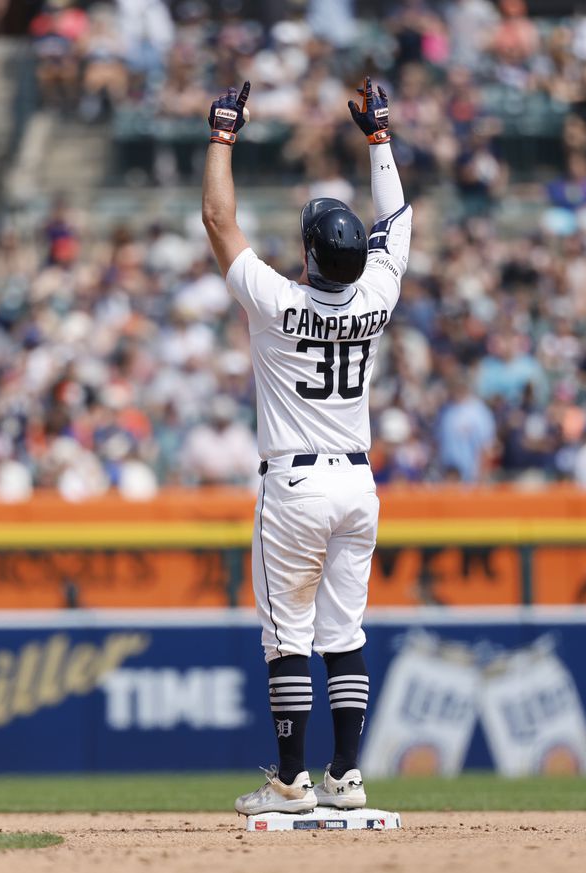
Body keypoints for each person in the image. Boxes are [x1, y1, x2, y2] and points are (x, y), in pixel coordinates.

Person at [201, 78, 412, 815]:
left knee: (287, 636)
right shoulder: (378, 296)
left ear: (310, 254)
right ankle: (345, 777)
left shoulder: (279, 302)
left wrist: (222, 136)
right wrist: (379, 140)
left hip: (295, 484)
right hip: (358, 482)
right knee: (344, 632)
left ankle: (291, 782)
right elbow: (397, 221)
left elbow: (217, 218)